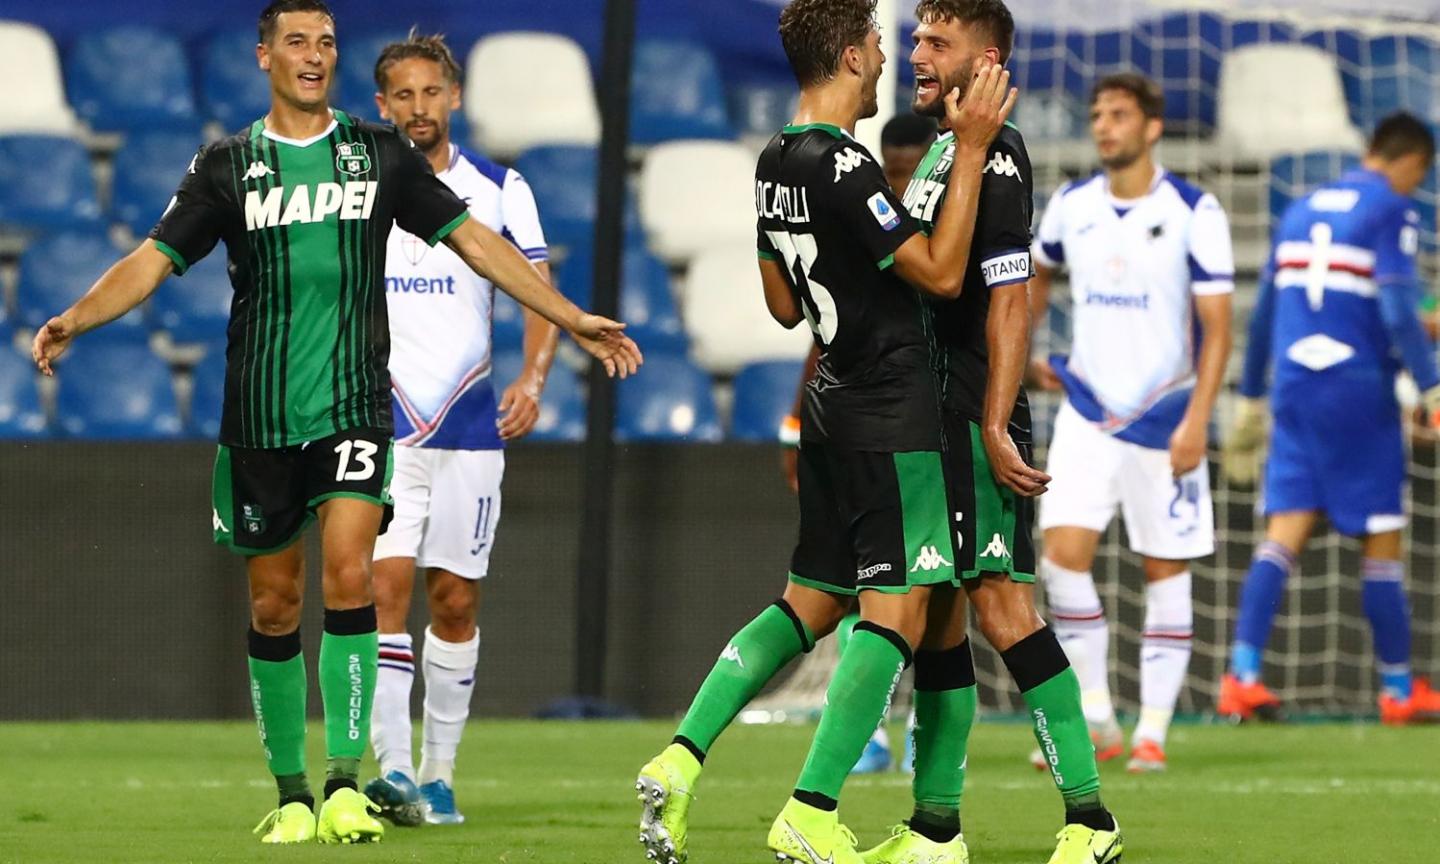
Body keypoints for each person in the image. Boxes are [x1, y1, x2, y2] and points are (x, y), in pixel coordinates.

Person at [31, 0, 640, 847]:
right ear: (264, 57)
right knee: (275, 602)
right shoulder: (228, 166)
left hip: (358, 408)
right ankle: (290, 792)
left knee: (353, 576)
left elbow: (477, 242)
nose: (315, 55)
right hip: (262, 413)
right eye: (297, 42)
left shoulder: (377, 154)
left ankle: (348, 782)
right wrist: (74, 317)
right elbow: (153, 259)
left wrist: (570, 318)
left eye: (325, 43)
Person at [634, 1, 1015, 862]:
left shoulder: (773, 157)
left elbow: (780, 304)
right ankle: (811, 808)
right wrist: (976, 154)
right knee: (898, 613)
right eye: (880, 43)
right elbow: (945, 273)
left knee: (806, 603)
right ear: (849, 55)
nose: (888, 56)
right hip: (893, 412)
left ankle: (682, 754)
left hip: (829, 407)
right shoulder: (847, 166)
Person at [863, 3, 1121, 863]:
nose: (919, 55)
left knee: (1004, 607)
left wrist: (997, 422)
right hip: (935, 418)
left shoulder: (997, 154)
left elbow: (1012, 297)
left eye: (939, 43)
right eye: (918, 40)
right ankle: (935, 828)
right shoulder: (945, 150)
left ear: (989, 58)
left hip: (974, 420)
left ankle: (1090, 820)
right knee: (940, 618)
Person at [357, 31, 560, 827]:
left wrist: (533, 378)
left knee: (453, 601)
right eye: (402, 96)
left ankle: (440, 773)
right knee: (382, 588)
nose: (418, 108)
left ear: (455, 97)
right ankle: (395, 770)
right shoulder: (363, 187)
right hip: (385, 422)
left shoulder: (502, 189)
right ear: (382, 106)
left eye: (430, 92)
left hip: (472, 428)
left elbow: (539, 288)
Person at [1026, 72, 1234, 773]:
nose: (1103, 126)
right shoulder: (1070, 205)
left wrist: (1198, 420)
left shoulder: (1194, 210)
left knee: (1164, 569)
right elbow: (1034, 276)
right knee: (1061, 560)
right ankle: (1095, 714)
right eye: (1096, 115)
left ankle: (1153, 730)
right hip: (1086, 414)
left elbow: (1217, 328)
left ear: (1151, 127)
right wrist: (1023, 353)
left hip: (1165, 418)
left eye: (1118, 114)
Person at [1220, 112, 1440, 726]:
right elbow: (1397, 308)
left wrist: (1251, 397)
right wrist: (1431, 386)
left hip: (1293, 387)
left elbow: (1264, 315)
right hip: (1355, 390)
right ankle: (1398, 688)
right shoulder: (1392, 209)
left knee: (1283, 533)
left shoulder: (1300, 209)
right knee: (1382, 537)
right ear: (1412, 163)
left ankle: (1241, 675)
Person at [778, 111, 939, 778]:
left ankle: (915, 735)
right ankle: (869, 731)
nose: (899, 185)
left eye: (910, 173)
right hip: (871, 425)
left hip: (930, 422)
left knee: (927, 599)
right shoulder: (870, 219)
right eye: (892, 171)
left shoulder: (949, 229)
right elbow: (822, 330)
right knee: (863, 586)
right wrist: (793, 425)